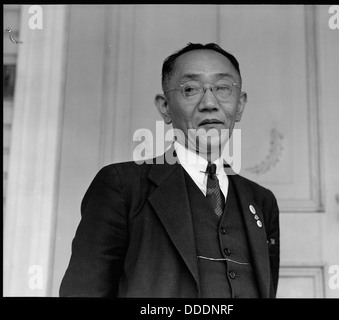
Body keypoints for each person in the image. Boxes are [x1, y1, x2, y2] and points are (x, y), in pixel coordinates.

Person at [59, 42, 280, 298]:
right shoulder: (121, 185)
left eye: (222, 88)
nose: (210, 103)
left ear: (239, 105)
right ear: (165, 107)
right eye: (190, 89)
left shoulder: (262, 202)